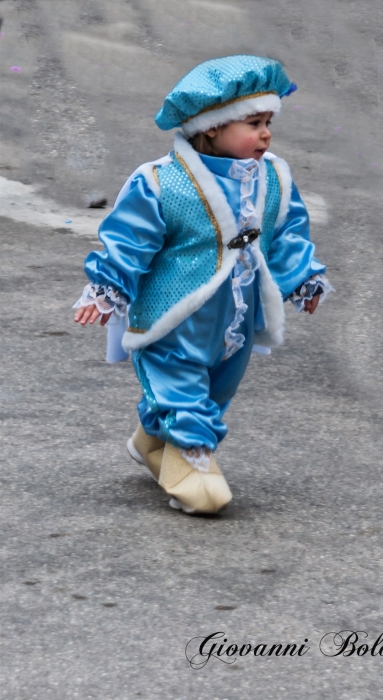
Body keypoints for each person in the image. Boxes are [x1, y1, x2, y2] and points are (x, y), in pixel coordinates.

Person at [73, 55, 333, 515]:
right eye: (253, 122)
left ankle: (152, 442)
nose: (267, 133)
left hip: (234, 316)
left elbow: (286, 231)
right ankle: (190, 461)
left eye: (268, 121)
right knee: (180, 382)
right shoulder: (161, 182)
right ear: (211, 126)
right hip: (175, 317)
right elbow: (129, 239)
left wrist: (303, 277)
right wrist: (108, 286)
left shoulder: (273, 176)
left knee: (217, 387)